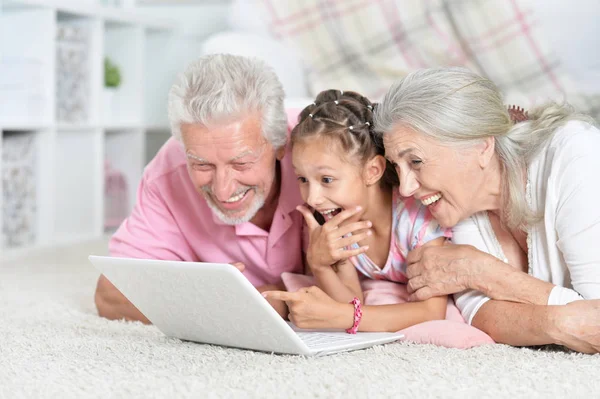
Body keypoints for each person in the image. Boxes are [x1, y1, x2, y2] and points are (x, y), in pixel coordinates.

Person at [374, 66, 600, 353]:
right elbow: (480, 315)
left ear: (481, 146)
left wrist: (482, 272)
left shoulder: (576, 155)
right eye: (397, 166)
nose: (405, 188)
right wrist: (559, 324)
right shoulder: (460, 205)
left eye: (416, 161)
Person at [94, 54, 305, 323]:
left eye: (241, 163)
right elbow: (110, 295)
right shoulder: (166, 173)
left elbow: (367, 289)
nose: (223, 190)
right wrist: (211, 298)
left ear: (279, 145)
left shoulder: (328, 152)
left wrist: (250, 299)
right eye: (202, 165)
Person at [263, 90, 452, 332]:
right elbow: (351, 303)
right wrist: (319, 265)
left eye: (327, 179)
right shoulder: (335, 221)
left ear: (372, 171)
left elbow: (432, 311)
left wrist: (344, 317)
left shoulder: (417, 219)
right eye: (302, 178)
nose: (313, 198)